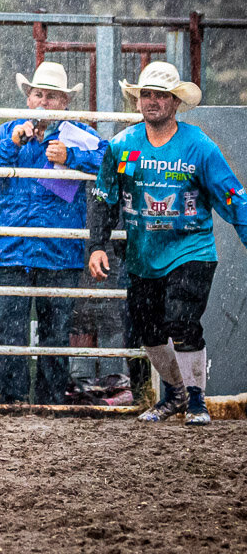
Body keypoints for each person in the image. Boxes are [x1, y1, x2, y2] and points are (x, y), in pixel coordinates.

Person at [88, 61, 247, 426]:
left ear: (175, 103)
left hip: (192, 249)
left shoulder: (199, 147)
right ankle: (174, 392)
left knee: (182, 320)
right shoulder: (123, 147)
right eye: (146, 94)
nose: (152, 101)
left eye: (161, 95)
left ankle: (196, 400)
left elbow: (232, 196)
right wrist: (96, 244)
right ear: (137, 100)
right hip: (144, 254)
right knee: (148, 328)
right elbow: (104, 198)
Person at [0, 62, 107, 404]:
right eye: (38, 94)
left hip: (57, 250)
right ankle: (10, 397)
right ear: (28, 97)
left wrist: (72, 156)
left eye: (52, 96)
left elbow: (114, 162)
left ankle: (50, 400)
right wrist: (11, 145)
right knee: (6, 329)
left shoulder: (80, 136)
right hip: (12, 247)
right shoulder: (4, 133)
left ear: (65, 102)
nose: (43, 102)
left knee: (56, 332)